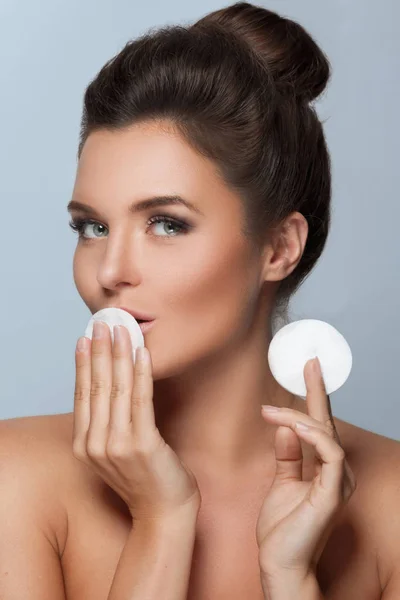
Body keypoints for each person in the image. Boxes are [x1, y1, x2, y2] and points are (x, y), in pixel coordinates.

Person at [1, 2, 399, 599]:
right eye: (93, 227)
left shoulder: (389, 501)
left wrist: (290, 580)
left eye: (166, 224)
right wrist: (162, 520)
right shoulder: (15, 479)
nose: (109, 271)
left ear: (277, 247)